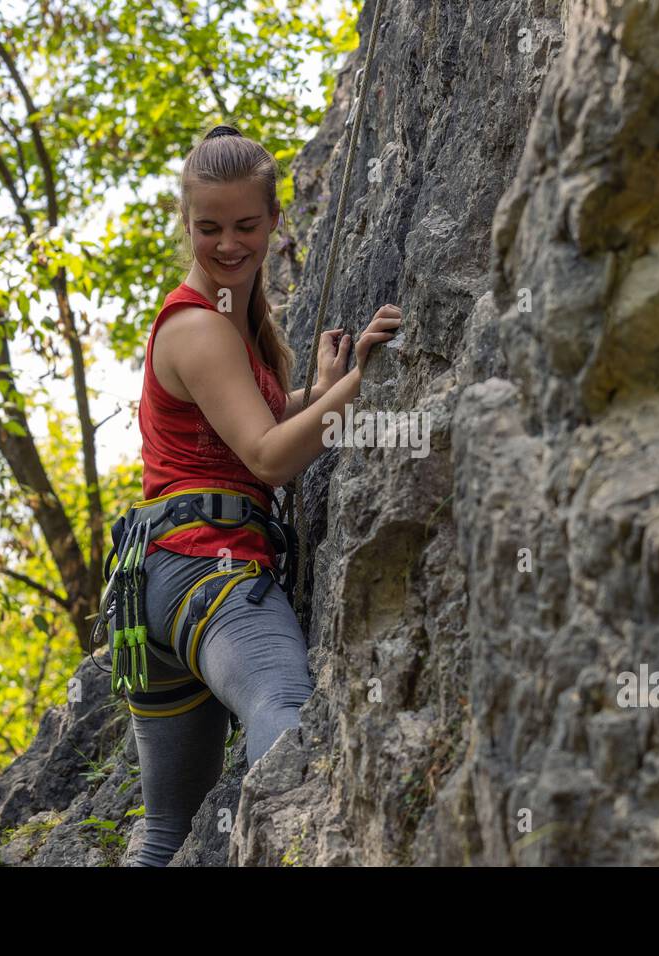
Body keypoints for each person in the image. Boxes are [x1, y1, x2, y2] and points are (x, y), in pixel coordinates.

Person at [128, 123, 402, 866]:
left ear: (274, 220)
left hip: (160, 584)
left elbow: (253, 423)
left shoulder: (232, 326)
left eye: (246, 225)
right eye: (208, 226)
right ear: (185, 223)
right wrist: (360, 390)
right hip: (206, 573)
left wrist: (319, 385)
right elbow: (267, 457)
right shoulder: (198, 326)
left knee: (168, 831)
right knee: (286, 716)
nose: (228, 243)